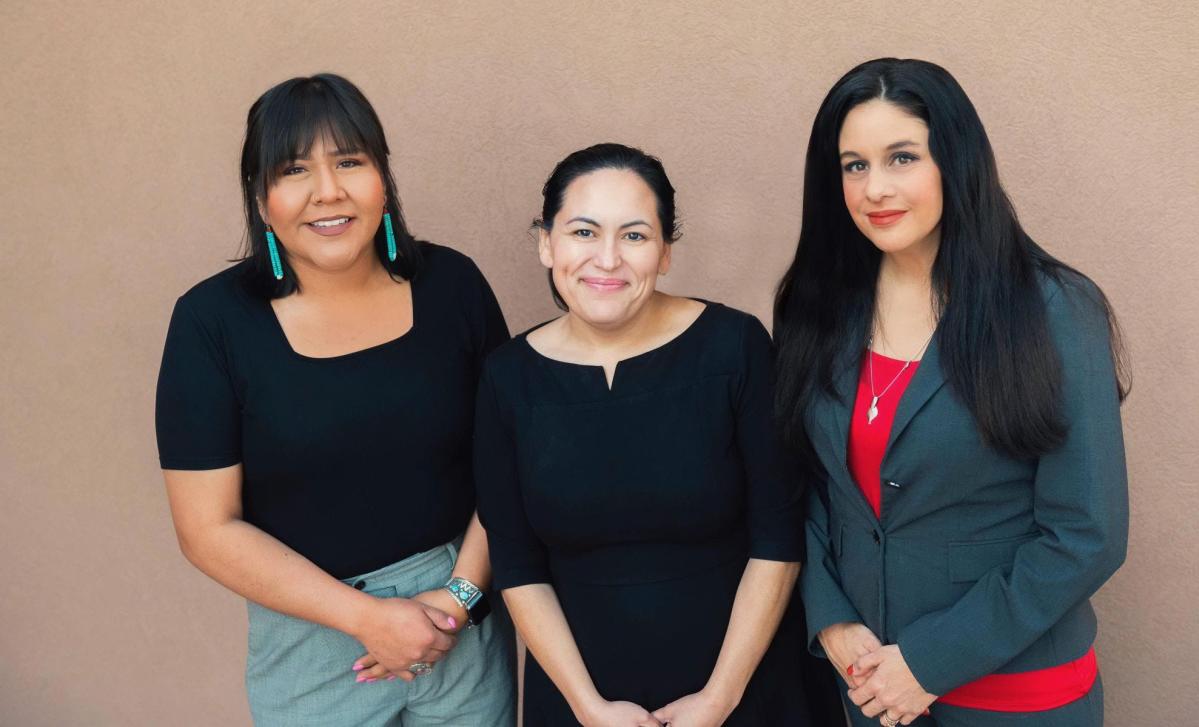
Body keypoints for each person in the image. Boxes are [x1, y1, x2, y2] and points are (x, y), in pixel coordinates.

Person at [775, 58, 1130, 727]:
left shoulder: (1054, 309)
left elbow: (1087, 533)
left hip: (1015, 695)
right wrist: (831, 617)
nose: (875, 187)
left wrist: (930, 662)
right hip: (871, 686)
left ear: (955, 162)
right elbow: (815, 483)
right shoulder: (818, 307)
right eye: (854, 165)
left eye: (901, 157)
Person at [155, 73, 515, 726]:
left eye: (350, 161)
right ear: (262, 198)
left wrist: (459, 597)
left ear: (384, 177)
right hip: (315, 639)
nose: (329, 191)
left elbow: (508, 462)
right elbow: (206, 528)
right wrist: (367, 618)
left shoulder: (453, 287)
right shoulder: (213, 324)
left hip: (459, 615)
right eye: (295, 170)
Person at [473, 143, 812, 727]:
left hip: (747, 690)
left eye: (634, 236)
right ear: (546, 243)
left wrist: (720, 699)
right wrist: (588, 707)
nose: (607, 260)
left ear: (665, 252)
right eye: (583, 232)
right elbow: (516, 562)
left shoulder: (736, 346)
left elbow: (779, 539)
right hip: (582, 700)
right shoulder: (507, 377)